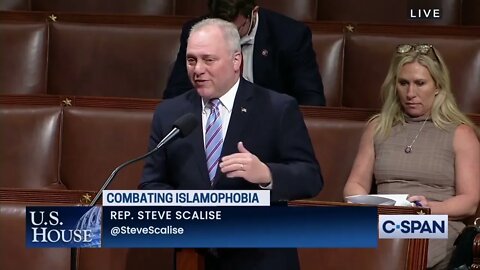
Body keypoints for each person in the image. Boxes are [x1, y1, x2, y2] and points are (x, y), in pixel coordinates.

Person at [140, 18, 323, 270]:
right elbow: (151, 185)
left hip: (261, 256)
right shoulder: (170, 113)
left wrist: (267, 174)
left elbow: (311, 177)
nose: (197, 69)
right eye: (191, 60)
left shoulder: (277, 108)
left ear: (236, 60)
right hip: (193, 256)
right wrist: (190, 210)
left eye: (209, 59)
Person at [343, 43, 480, 269]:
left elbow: (469, 201)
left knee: (391, 251)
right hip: (381, 218)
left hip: (433, 221)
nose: (410, 93)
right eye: (403, 83)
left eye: (420, 83)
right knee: (299, 230)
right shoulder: (378, 127)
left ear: (438, 85)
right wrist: (370, 205)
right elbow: (354, 185)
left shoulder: (461, 133)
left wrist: (426, 210)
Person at [163, 0, 326, 106]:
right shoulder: (196, 31)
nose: (226, 36)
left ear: (253, 13)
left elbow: (312, 101)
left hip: (266, 124)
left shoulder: (290, 36)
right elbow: (175, 94)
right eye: (219, 26)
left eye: (234, 29)